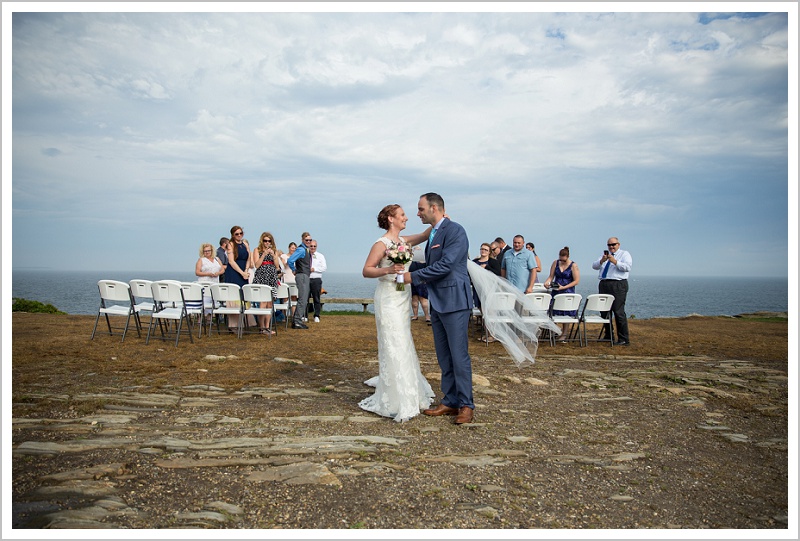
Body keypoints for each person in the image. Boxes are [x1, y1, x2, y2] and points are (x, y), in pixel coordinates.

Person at [403, 193, 475, 425]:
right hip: (438, 301)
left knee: (458, 355)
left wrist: (411, 277)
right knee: (444, 356)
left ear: (434, 208)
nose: (418, 213)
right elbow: (431, 264)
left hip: (455, 300)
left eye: (421, 208)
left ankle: (466, 405)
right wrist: (401, 264)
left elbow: (445, 265)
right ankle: (450, 400)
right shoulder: (433, 233)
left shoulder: (455, 231)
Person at [359, 204, 435, 422]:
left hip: (403, 295)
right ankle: (396, 396)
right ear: (391, 219)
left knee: (404, 341)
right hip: (388, 297)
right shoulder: (381, 244)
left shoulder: (403, 242)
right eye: (402, 215)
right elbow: (366, 270)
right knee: (394, 341)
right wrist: (389, 269)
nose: (406, 218)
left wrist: (438, 219)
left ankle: (409, 389)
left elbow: (424, 235)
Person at [591, 237, 632, 346]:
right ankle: (608, 335)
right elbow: (594, 266)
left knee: (618, 312)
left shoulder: (624, 254)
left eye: (613, 244)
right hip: (604, 284)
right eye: (609, 245)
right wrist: (602, 260)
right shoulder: (604, 255)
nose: (611, 247)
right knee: (604, 311)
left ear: (618, 244)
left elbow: (627, 267)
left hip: (618, 284)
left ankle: (623, 338)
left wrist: (615, 262)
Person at [543, 246, 581, 342]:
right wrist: (547, 282)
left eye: (564, 260)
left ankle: (564, 334)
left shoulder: (573, 265)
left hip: (567, 290)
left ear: (567, 257)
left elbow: (576, 281)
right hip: (556, 290)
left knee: (566, 313)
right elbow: (551, 276)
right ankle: (554, 331)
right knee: (554, 311)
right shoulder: (555, 263)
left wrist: (564, 287)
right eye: (561, 259)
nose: (562, 262)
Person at [250, 232, 280, 335]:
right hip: (261, 277)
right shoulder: (257, 250)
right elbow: (257, 265)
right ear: (262, 241)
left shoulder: (274, 251)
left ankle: (267, 326)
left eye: (269, 241)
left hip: (271, 277)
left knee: (270, 303)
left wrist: (273, 255)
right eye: (265, 241)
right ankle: (261, 327)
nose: (267, 243)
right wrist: (264, 255)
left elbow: (277, 266)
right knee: (262, 302)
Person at [223, 225, 250, 332]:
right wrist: (241, 272)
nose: (239, 235)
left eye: (241, 233)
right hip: (234, 272)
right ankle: (233, 324)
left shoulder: (245, 244)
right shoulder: (230, 245)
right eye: (236, 234)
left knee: (243, 296)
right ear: (233, 235)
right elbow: (231, 261)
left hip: (244, 271)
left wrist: (246, 271)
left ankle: (244, 322)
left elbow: (249, 258)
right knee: (234, 296)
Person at [286, 232, 313, 329]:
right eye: (307, 240)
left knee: (304, 298)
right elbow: (290, 260)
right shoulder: (301, 250)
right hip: (302, 275)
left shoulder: (306, 250)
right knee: (302, 299)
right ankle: (297, 321)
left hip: (304, 275)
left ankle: (297, 320)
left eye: (310, 240)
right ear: (302, 240)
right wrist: (294, 270)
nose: (309, 242)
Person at [195, 242, 225, 317]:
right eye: (205, 251)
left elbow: (222, 269)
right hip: (205, 282)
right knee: (205, 300)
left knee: (213, 299)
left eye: (208, 250)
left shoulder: (217, 259)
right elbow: (197, 272)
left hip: (214, 281)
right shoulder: (201, 260)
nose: (207, 252)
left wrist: (218, 273)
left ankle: (210, 317)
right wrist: (208, 273)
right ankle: (201, 318)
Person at [409, 245, 431, 324]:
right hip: (415, 282)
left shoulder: (423, 263)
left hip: (420, 282)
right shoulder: (413, 262)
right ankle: (417, 315)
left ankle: (426, 316)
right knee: (416, 300)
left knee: (422, 300)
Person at [309, 240, 327, 323]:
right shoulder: (305, 255)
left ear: (316, 247)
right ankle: (305, 315)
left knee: (316, 298)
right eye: (311, 246)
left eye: (314, 246)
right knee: (305, 298)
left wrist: (314, 269)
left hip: (316, 279)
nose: (312, 247)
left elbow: (324, 268)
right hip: (307, 279)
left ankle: (316, 315)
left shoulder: (320, 256)